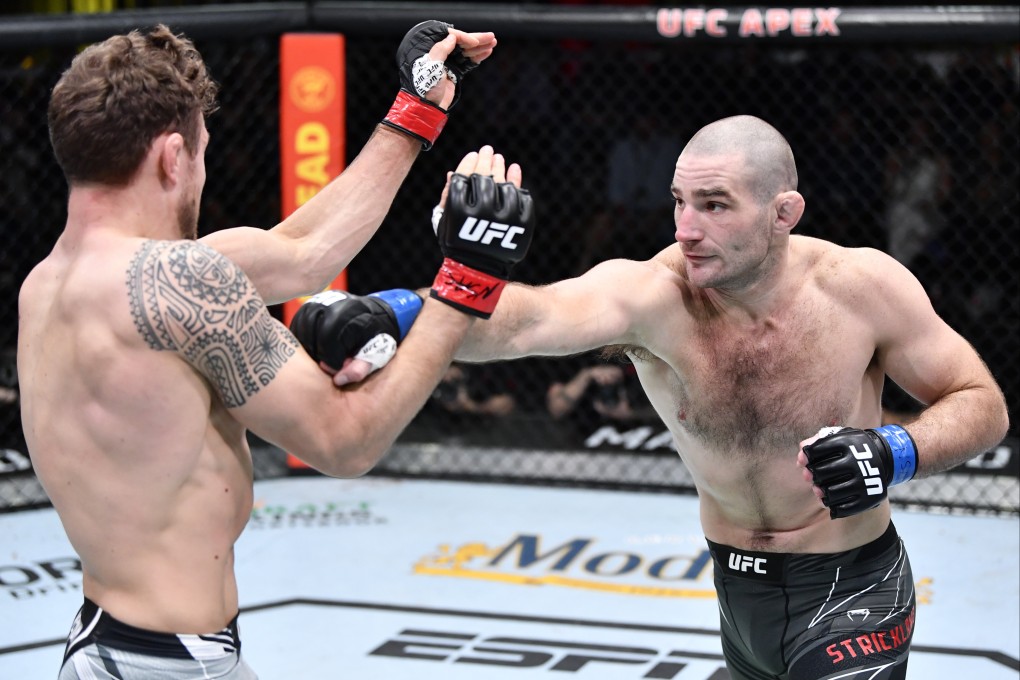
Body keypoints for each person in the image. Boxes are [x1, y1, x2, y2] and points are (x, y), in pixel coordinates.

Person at [333, 114, 1009, 679]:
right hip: (737, 596)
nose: (687, 228)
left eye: (714, 205)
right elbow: (529, 321)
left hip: (854, 587)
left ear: (784, 213)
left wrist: (898, 449)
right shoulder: (656, 294)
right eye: (680, 202)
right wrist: (398, 312)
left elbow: (981, 401)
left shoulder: (860, 288)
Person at [16, 22, 539, 679]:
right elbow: (344, 440)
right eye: (202, 153)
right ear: (173, 158)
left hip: (111, 644)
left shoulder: (51, 284)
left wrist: (419, 108)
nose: (201, 175)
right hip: (171, 665)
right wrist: (467, 277)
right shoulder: (181, 284)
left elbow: (306, 255)